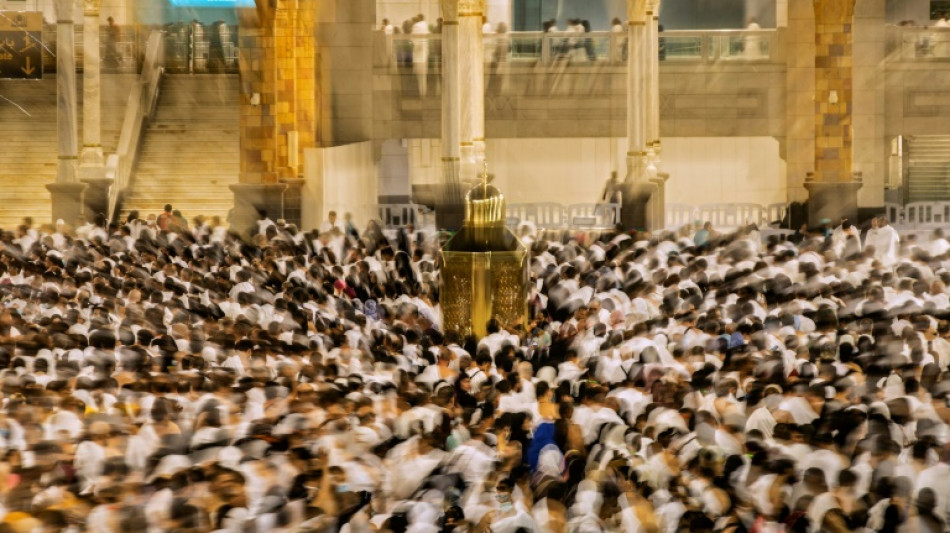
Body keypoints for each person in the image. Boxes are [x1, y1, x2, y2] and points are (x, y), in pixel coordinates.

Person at [411, 14, 430, 97]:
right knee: (423, 77)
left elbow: (414, 41)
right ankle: (423, 94)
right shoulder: (425, 26)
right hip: (424, 56)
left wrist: (413, 44)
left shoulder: (417, 26)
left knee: (419, 77)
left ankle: (421, 94)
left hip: (419, 57)